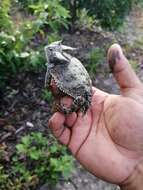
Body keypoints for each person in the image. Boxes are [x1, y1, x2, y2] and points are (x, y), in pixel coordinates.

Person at [49, 44, 143, 190]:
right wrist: (134, 176)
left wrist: (136, 173)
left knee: (66, 107)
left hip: (80, 90)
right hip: (81, 89)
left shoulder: (63, 63)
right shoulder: (68, 61)